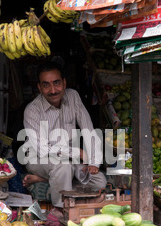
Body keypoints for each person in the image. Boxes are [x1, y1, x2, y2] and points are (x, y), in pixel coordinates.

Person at [20, 61, 107, 209]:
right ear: (39, 87)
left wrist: (93, 161)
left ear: (64, 83)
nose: (53, 90)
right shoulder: (32, 110)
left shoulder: (73, 97)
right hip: (39, 158)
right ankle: (62, 211)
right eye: (46, 85)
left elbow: (88, 129)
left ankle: (43, 179)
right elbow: (43, 150)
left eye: (56, 83)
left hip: (67, 159)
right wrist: (77, 152)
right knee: (64, 167)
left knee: (99, 181)